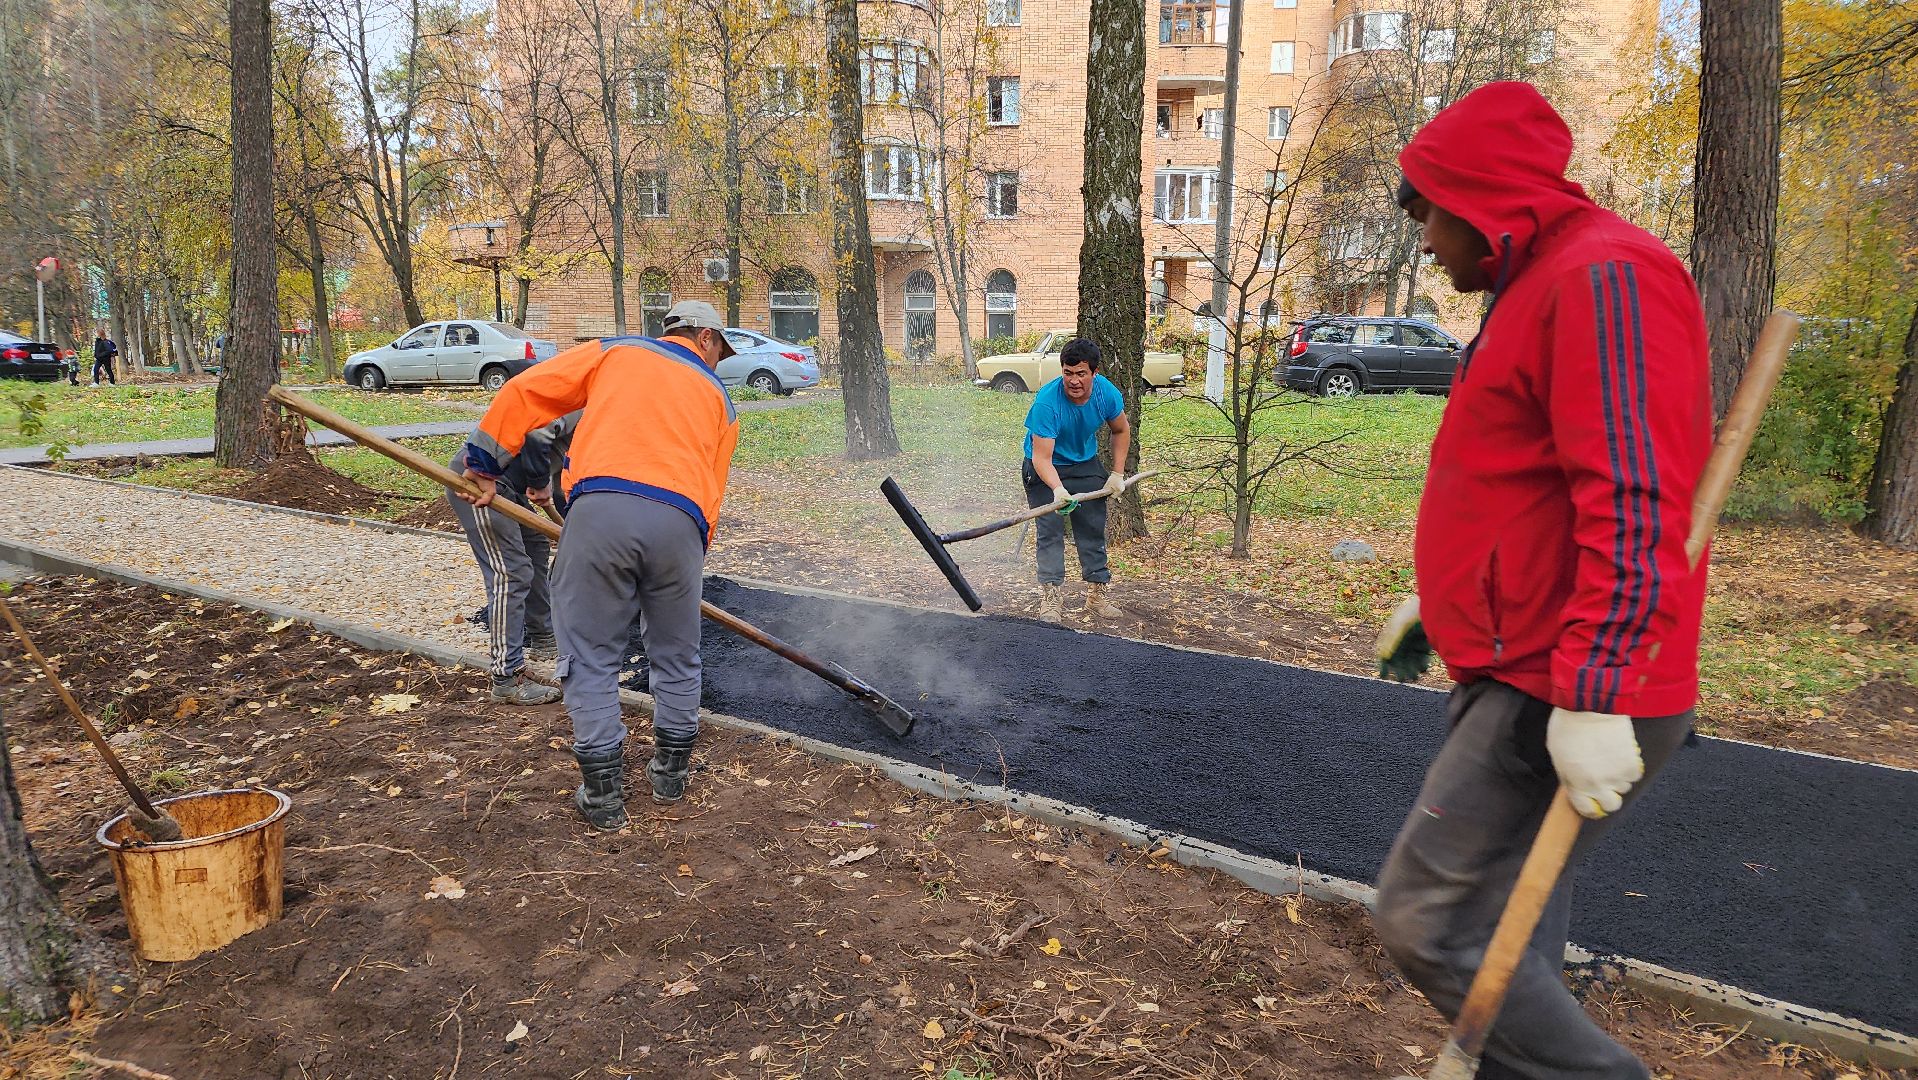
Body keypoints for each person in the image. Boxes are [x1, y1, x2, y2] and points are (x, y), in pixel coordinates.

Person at [1370, 82, 1712, 1080]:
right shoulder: (1539, 283)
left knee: (1428, 921)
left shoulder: (1603, 278)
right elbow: (1527, 490)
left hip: (1561, 683)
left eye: (1431, 214)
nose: (1425, 242)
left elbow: (1635, 496)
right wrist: (1446, 603)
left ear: (1482, 203)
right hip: (1522, 661)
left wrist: (1596, 691)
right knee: (1503, 935)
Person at [458, 300, 739, 829]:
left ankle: (605, 798)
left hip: (602, 511)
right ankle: (670, 779)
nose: (718, 361)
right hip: (682, 527)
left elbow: (526, 391)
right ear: (703, 337)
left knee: (590, 655)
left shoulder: (616, 351)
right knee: (677, 654)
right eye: (719, 349)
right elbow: (714, 489)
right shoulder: (721, 402)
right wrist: (686, 555)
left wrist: (484, 464)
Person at [447, 410, 580, 706]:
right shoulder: (588, 401)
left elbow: (564, 473)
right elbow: (537, 433)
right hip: (479, 482)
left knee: (536, 547)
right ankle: (507, 676)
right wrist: (539, 479)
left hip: (512, 487)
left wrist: (552, 495)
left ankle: (542, 636)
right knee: (512, 573)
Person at [1020, 338, 1132, 622]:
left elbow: (1120, 431)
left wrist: (1117, 473)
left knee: (1092, 527)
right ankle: (1051, 596)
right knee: (1050, 530)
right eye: (1068, 373)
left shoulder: (1106, 394)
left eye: (1081, 373)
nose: (1073, 381)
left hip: (1084, 462)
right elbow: (1041, 458)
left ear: (1094, 373)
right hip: (1044, 465)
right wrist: (1058, 490)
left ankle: (1097, 595)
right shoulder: (1047, 402)